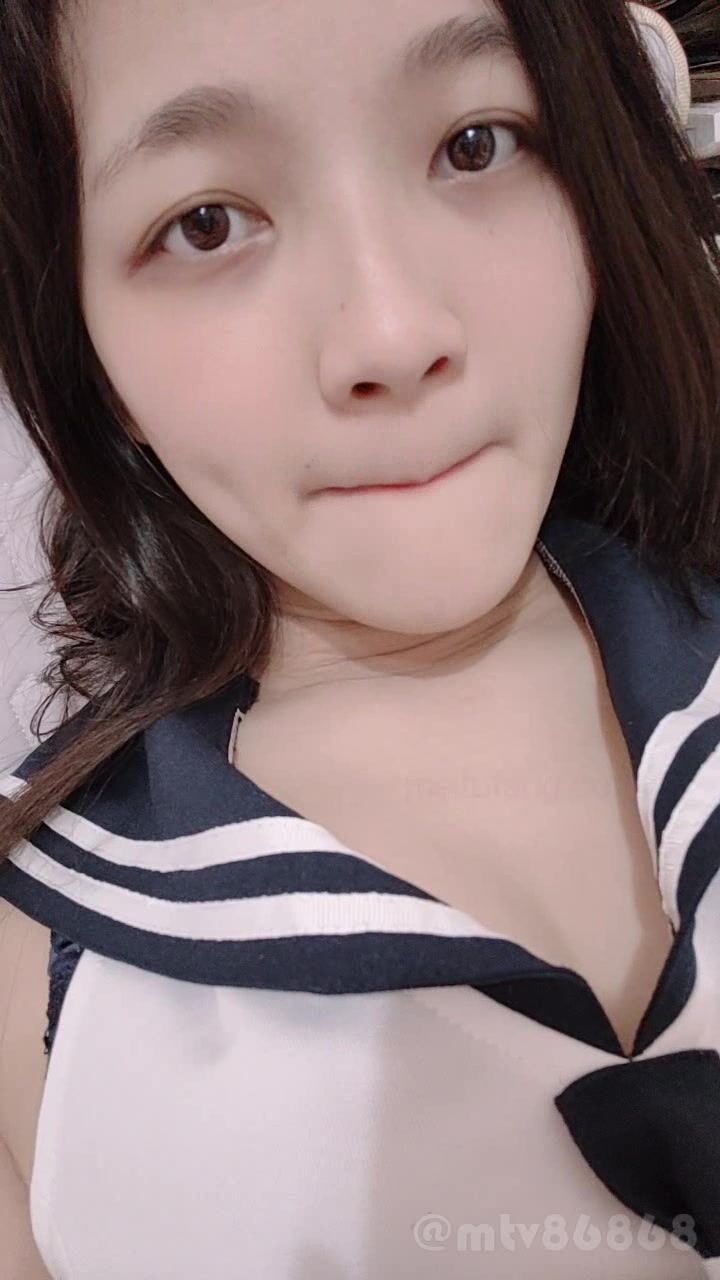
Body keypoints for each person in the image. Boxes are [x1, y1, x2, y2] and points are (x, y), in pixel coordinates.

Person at [0, 0, 719, 1275]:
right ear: (88, 353)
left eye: (478, 144)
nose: (393, 333)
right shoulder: (36, 968)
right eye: (206, 223)